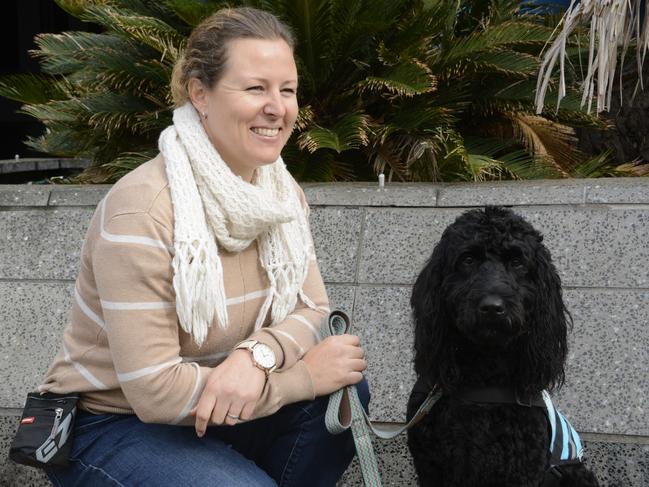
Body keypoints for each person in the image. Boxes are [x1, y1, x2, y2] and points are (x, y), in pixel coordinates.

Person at [40, 7, 369, 486]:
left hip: (225, 403)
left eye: (288, 90)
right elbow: (155, 393)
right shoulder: (145, 209)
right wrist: (299, 380)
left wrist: (254, 357)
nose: (277, 107)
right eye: (256, 88)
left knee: (346, 392)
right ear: (200, 94)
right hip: (113, 423)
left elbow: (314, 310)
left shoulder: (280, 193)